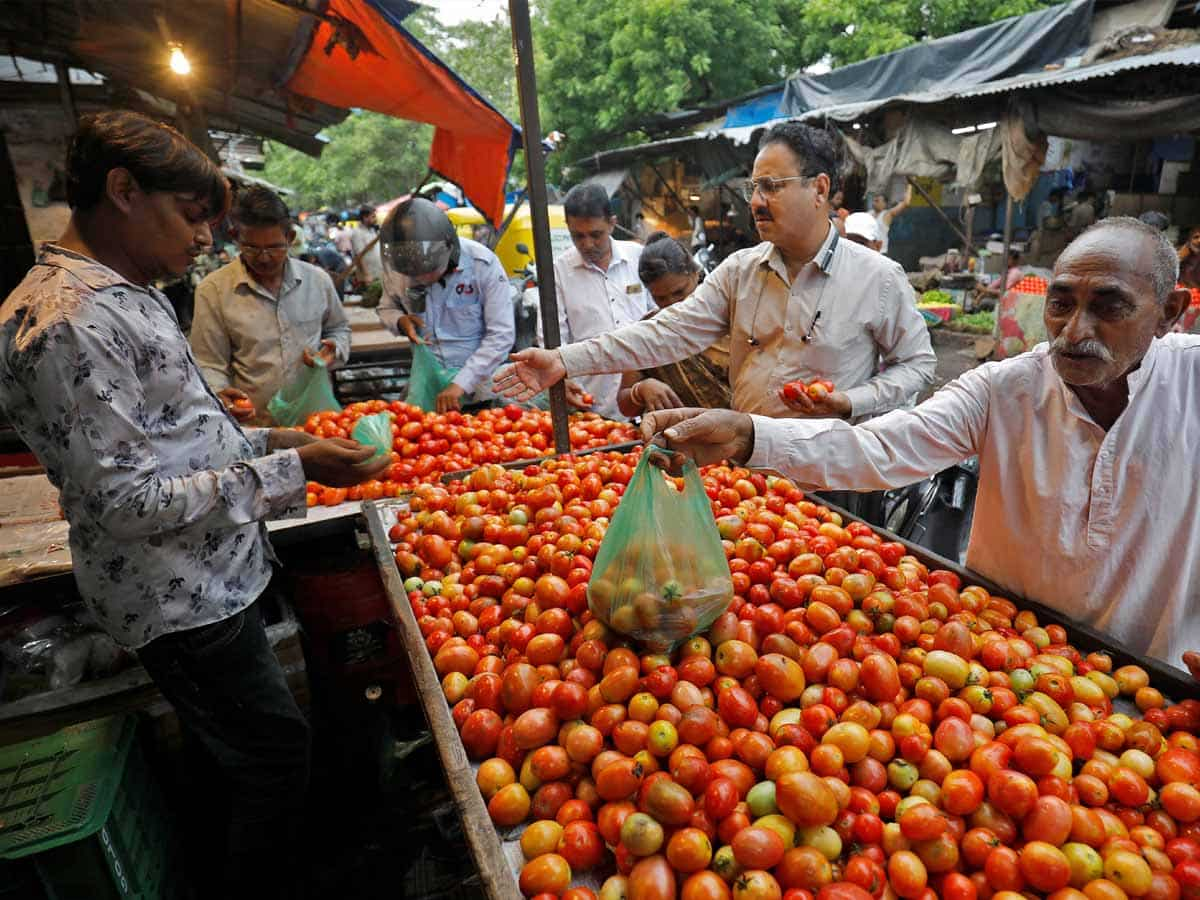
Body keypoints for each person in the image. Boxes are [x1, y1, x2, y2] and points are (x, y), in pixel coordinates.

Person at [0, 111, 389, 896]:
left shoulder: (124, 294)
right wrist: (295, 472)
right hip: (181, 597)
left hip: (209, 574)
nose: (206, 240)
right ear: (122, 192)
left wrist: (280, 444)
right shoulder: (71, 322)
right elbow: (129, 499)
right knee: (275, 758)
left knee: (243, 755)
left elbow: (183, 437)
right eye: (190, 217)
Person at [637, 217, 1200, 675]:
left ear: (1170, 313)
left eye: (1110, 305)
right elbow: (880, 448)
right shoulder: (1005, 388)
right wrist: (750, 434)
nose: (1075, 331)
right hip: (1005, 656)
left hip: (1159, 678)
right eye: (1060, 303)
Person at [496, 121, 936, 425]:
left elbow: (917, 365)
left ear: (819, 188)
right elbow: (664, 333)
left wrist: (852, 402)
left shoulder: (878, 278)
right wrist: (562, 360)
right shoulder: (741, 272)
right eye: (754, 188)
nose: (757, 201)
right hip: (750, 475)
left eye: (772, 187)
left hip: (835, 475)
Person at [190, 186, 351, 424]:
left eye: (275, 247)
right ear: (236, 238)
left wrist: (333, 349)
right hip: (256, 430)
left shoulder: (317, 281)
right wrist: (221, 395)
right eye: (252, 248)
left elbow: (339, 329)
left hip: (318, 424)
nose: (264, 257)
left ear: (290, 238)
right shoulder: (212, 291)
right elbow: (209, 364)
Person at [377, 197, 515, 412]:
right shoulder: (396, 268)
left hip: (479, 388)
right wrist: (400, 321)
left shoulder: (481, 265)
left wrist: (461, 383)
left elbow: (501, 335)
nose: (422, 279)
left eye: (429, 272)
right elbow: (386, 307)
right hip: (426, 383)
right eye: (414, 276)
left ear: (449, 249)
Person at [542, 184, 656, 419]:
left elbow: (659, 319)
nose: (587, 244)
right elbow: (552, 338)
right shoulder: (559, 272)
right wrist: (560, 379)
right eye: (578, 236)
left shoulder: (639, 257)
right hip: (591, 407)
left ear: (612, 223)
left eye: (596, 234)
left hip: (646, 398)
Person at [616, 232, 731, 418]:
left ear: (695, 274)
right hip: (685, 440)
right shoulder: (649, 334)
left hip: (747, 435)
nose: (672, 304)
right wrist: (641, 389)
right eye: (660, 298)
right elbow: (625, 406)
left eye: (679, 292)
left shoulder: (730, 316)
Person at [870, 183, 913, 255]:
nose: (874, 203)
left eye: (877, 201)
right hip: (868, 250)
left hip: (881, 252)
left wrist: (910, 185)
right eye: (874, 200)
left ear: (884, 204)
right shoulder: (868, 213)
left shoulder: (886, 214)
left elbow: (906, 203)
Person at [349, 204, 383, 287]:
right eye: (373, 217)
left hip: (378, 272)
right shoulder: (357, 233)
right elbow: (359, 255)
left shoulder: (372, 230)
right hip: (369, 276)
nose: (375, 219)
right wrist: (366, 275)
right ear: (365, 218)